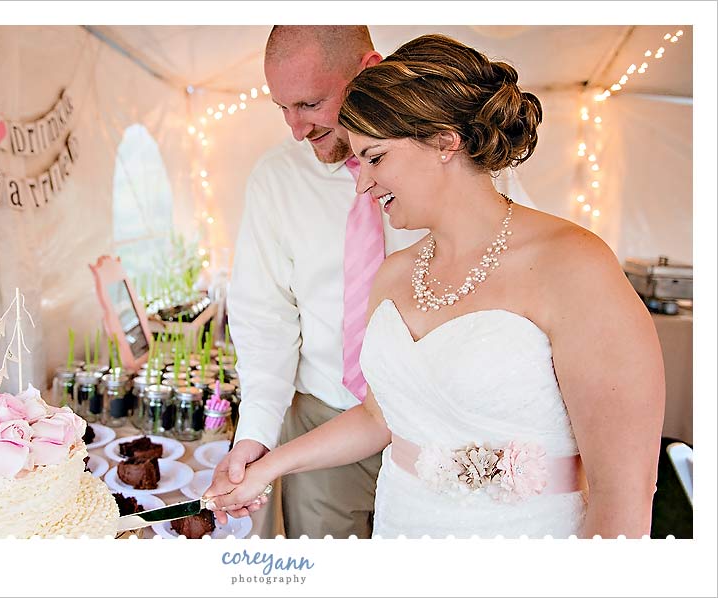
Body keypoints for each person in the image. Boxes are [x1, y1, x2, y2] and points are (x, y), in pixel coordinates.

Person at [206, 34, 665, 539]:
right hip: (399, 516)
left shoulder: (574, 265)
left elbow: (624, 490)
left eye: (375, 158)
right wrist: (266, 463)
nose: (361, 182)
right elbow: (378, 412)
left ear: (446, 142)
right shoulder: (395, 274)